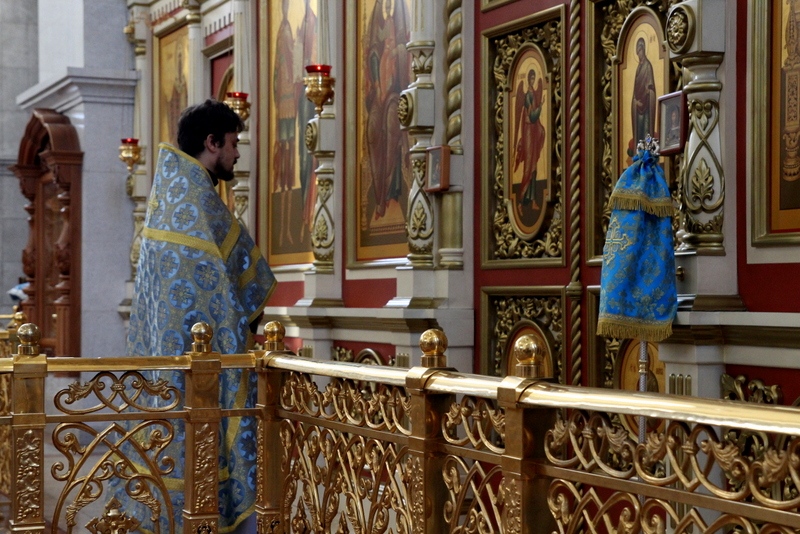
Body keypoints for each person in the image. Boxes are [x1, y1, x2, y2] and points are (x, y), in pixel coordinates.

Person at [123, 99, 277, 533]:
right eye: (233, 143)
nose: (237, 153)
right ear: (211, 143)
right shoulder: (200, 206)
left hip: (165, 375)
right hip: (207, 370)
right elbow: (249, 281)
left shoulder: (167, 201)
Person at [514, 68, 546, 211]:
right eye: (531, 78)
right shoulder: (527, 95)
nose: (532, 80)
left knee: (534, 167)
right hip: (528, 132)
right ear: (528, 80)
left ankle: (532, 200)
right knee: (528, 167)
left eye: (534, 78)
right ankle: (521, 202)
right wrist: (541, 106)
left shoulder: (533, 93)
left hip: (533, 132)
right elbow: (532, 116)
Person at [631, 37, 656, 151]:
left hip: (646, 107)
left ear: (643, 49)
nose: (639, 54)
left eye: (640, 51)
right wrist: (635, 102)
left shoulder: (647, 66)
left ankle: (648, 152)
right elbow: (635, 90)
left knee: (647, 131)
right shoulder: (638, 68)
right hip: (638, 107)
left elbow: (651, 88)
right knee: (639, 131)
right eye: (637, 52)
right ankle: (640, 153)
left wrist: (647, 95)